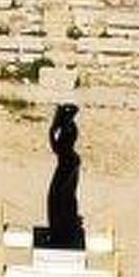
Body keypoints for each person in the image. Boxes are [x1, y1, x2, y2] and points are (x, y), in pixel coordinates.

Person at [45, 103, 83, 250]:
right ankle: (63, 228)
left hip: (67, 165)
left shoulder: (66, 129)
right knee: (62, 198)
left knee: (58, 198)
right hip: (69, 163)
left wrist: (52, 130)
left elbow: (56, 148)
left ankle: (61, 231)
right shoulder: (69, 128)